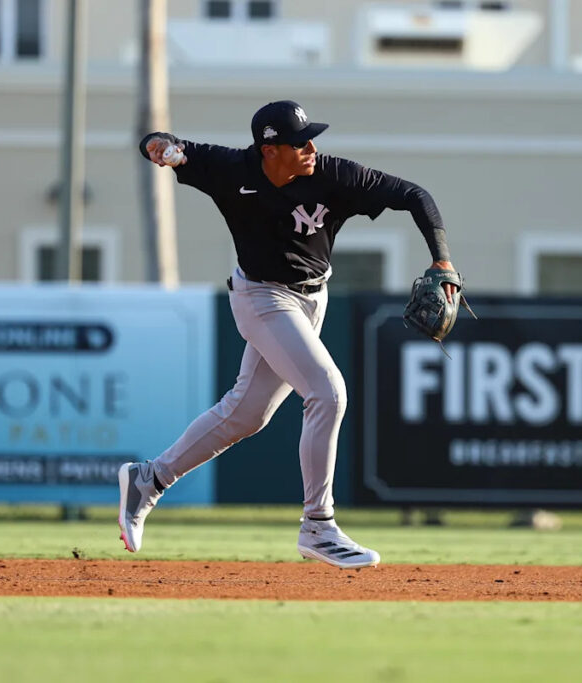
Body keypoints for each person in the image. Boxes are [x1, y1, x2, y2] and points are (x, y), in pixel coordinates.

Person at [117, 100, 460, 569]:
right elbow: (159, 143)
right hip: (260, 297)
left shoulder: (336, 175)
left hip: (311, 299)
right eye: (300, 142)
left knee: (245, 415)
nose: (311, 148)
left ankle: (148, 480)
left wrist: (442, 260)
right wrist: (160, 147)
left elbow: (416, 195)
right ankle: (318, 525)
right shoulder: (230, 168)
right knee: (328, 392)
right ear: (270, 148)